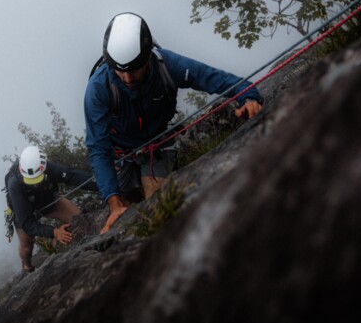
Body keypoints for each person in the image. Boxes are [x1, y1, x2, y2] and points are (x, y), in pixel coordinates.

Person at [84, 12, 264, 235]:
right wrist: (114, 204)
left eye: (135, 68)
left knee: (156, 210)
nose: (128, 78)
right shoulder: (98, 88)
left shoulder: (167, 65)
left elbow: (212, 77)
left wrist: (249, 97)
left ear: (148, 55)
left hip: (157, 144)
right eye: (121, 71)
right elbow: (98, 148)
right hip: (120, 154)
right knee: (127, 209)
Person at [6, 144, 99, 273]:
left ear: (44, 167)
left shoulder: (51, 169)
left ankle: (55, 250)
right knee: (27, 246)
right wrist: (55, 231)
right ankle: (27, 266)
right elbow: (27, 223)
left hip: (47, 200)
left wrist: (103, 184)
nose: (36, 184)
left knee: (79, 217)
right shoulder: (14, 184)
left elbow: (73, 176)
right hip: (23, 208)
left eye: (38, 179)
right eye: (31, 181)